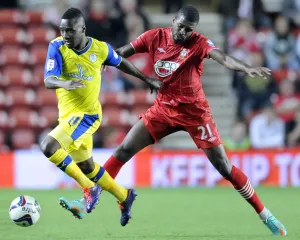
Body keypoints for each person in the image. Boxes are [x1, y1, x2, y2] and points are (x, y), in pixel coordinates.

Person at [63, 6, 287, 235]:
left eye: (189, 30)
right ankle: (90, 195)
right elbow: (120, 54)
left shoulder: (199, 43)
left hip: (195, 113)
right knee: (123, 150)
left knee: (225, 168)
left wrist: (245, 67)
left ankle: (264, 214)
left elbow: (224, 58)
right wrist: (98, 62)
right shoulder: (154, 37)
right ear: (173, 21)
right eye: (180, 26)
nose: (183, 32)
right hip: (163, 109)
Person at [40, 8, 162, 226]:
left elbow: (120, 62)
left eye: (70, 30)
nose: (65, 34)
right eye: (62, 30)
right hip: (67, 117)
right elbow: (48, 80)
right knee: (87, 166)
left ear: (82, 29)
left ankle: (88, 188)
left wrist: (146, 79)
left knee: (48, 146)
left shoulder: (100, 48)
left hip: (86, 115)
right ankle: (125, 196)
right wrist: (63, 83)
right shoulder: (57, 46)